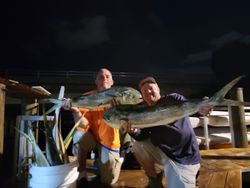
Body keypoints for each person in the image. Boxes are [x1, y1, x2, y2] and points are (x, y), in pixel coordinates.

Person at [123, 76, 213, 188]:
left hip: (184, 157)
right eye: (144, 91)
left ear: (158, 89)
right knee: (137, 147)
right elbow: (143, 135)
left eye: (150, 88)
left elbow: (189, 107)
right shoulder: (145, 111)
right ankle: (155, 182)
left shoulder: (173, 98)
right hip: (163, 153)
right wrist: (134, 131)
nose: (148, 92)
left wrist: (202, 107)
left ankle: (189, 175)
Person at [63, 68, 124, 186]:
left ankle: (117, 161)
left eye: (107, 77)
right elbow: (84, 124)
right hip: (93, 137)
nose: (104, 79)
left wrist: (116, 109)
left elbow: (124, 123)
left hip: (109, 142)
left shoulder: (119, 98)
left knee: (108, 180)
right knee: (78, 135)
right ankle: (81, 173)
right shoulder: (88, 97)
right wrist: (75, 112)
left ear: (112, 82)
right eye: (101, 77)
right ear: (96, 81)